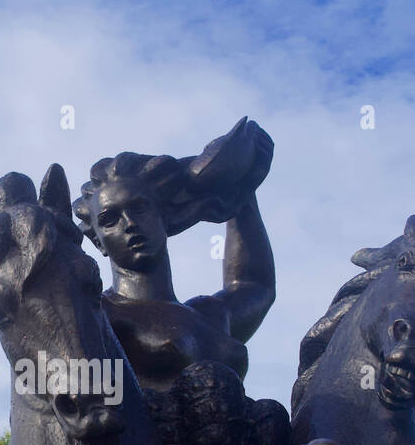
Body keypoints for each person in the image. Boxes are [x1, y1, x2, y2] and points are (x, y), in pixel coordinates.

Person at [72, 117, 276, 394]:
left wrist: (242, 191)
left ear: (164, 214)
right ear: (98, 240)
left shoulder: (210, 314)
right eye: (110, 219)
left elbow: (254, 285)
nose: (129, 223)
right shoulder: (98, 314)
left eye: (140, 207)